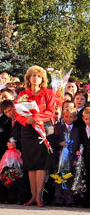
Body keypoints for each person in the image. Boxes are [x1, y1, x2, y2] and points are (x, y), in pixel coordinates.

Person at [15, 66, 57, 207]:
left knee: (41, 164)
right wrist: (26, 120)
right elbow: (17, 113)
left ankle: (39, 197)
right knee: (30, 164)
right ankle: (33, 196)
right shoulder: (22, 95)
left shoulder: (48, 93)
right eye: (33, 75)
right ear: (28, 78)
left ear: (42, 79)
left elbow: (51, 112)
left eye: (38, 76)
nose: (35, 78)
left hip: (43, 129)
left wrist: (36, 117)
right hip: (27, 130)